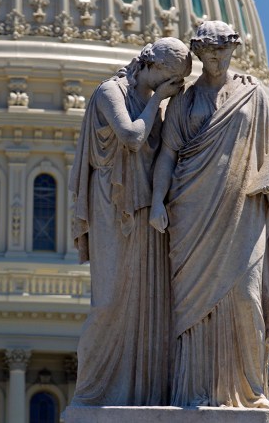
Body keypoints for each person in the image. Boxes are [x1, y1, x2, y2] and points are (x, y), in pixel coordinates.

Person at [149, 21, 269, 408]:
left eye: (223, 48)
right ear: (197, 53)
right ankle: (193, 391)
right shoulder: (183, 102)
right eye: (208, 49)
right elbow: (168, 155)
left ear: (234, 50)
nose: (216, 55)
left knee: (245, 297)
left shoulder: (253, 96)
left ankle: (249, 392)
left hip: (244, 212)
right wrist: (156, 202)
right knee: (190, 310)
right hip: (190, 213)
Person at [69, 37, 192, 406]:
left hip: (144, 210)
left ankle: (139, 393)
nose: (172, 88)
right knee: (108, 303)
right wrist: (159, 100)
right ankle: (91, 392)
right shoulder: (111, 91)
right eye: (170, 79)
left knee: (147, 306)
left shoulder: (157, 103)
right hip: (112, 203)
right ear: (151, 67)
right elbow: (132, 137)